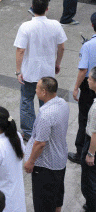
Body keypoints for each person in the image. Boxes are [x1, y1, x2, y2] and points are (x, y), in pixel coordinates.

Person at [14, 0, 66, 141]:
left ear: (32, 7)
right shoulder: (55, 25)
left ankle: (29, 132)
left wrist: (18, 71)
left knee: (26, 101)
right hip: (47, 72)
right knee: (47, 102)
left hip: (29, 72)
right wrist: (57, 63)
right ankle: (46, 129)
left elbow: (20, 50)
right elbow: (61, 47)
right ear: (47, 8)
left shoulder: (26, 27)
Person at [24, 77, 69, 212]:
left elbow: (40, 143)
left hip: (46, 167)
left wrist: (30, 162)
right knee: (57, 198)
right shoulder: (62, 103)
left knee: (43, 204)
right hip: (60, 161)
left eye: (37, 87)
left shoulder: (45, 114)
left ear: (44, 92)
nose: (35, 90)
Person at [70, 12, 96, 164]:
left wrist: (76, 88)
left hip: (89, 85)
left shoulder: (88, 46)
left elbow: (83, 70)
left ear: (92, 25)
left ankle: (81, 152)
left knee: (85, 120)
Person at [81, 66, 96, 211]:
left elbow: (95, 133)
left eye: (90, 78)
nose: (88, 80)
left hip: (92, 143)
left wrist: (90, 154)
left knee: (89, 179)